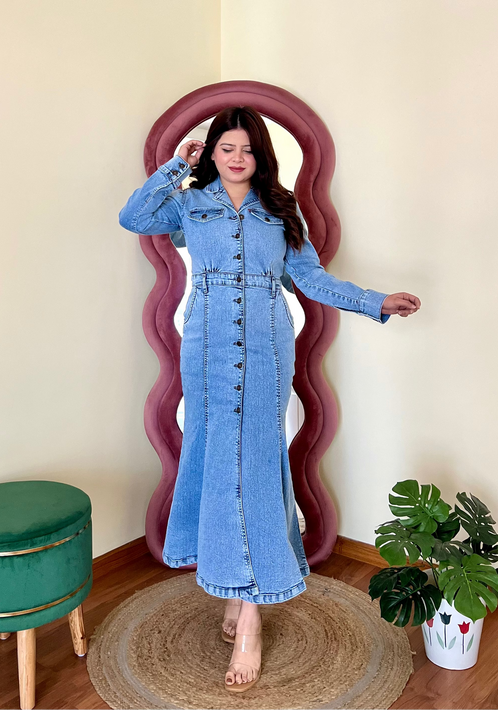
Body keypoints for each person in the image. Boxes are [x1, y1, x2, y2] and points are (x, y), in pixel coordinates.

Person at [119, 106, 421, 692]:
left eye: (248, 149)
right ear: (210, 154)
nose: (237, 158)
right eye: (225, 148)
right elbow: (134, 217)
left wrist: (375, 302)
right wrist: (174, 167)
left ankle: (250, 613)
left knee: (255, 467)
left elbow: (310, 279)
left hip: (265, 349)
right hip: (206, 349)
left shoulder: (281, 210)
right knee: (217, 462)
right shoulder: (189, 202)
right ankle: (235, 590)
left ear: (262, 156)